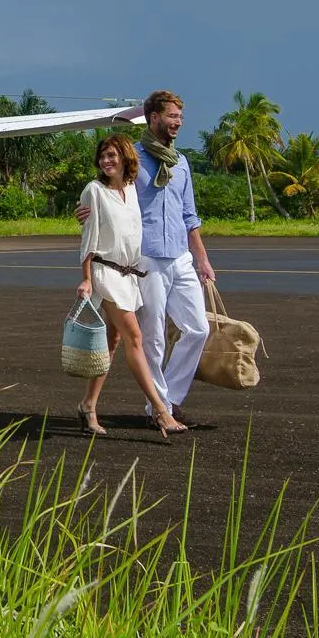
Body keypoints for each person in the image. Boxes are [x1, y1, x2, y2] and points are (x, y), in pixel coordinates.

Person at [78, 90, 216, 428]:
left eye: (180, 118)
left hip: (180, 257)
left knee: (198, 329)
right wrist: (87, 211)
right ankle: (158, 409)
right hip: (146, 259)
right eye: (172, 117)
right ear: (153, 117)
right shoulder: (134, 160)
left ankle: (170, 398)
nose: (177, 123)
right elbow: (108, 189)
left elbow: (189, 215)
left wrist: (202, 260)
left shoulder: (181, 163)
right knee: (150, 337)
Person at [75, 134, 188, 439]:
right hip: (105, 274)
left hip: (128, 276)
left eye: (112, 155)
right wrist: (86, 278)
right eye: (103, 156)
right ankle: (162, 412)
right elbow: (87, 239)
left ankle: (88, 405)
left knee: (112, 343)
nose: (106, 161)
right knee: (135, 338)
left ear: (125, 159)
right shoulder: (94, 191)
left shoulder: (130, 190)